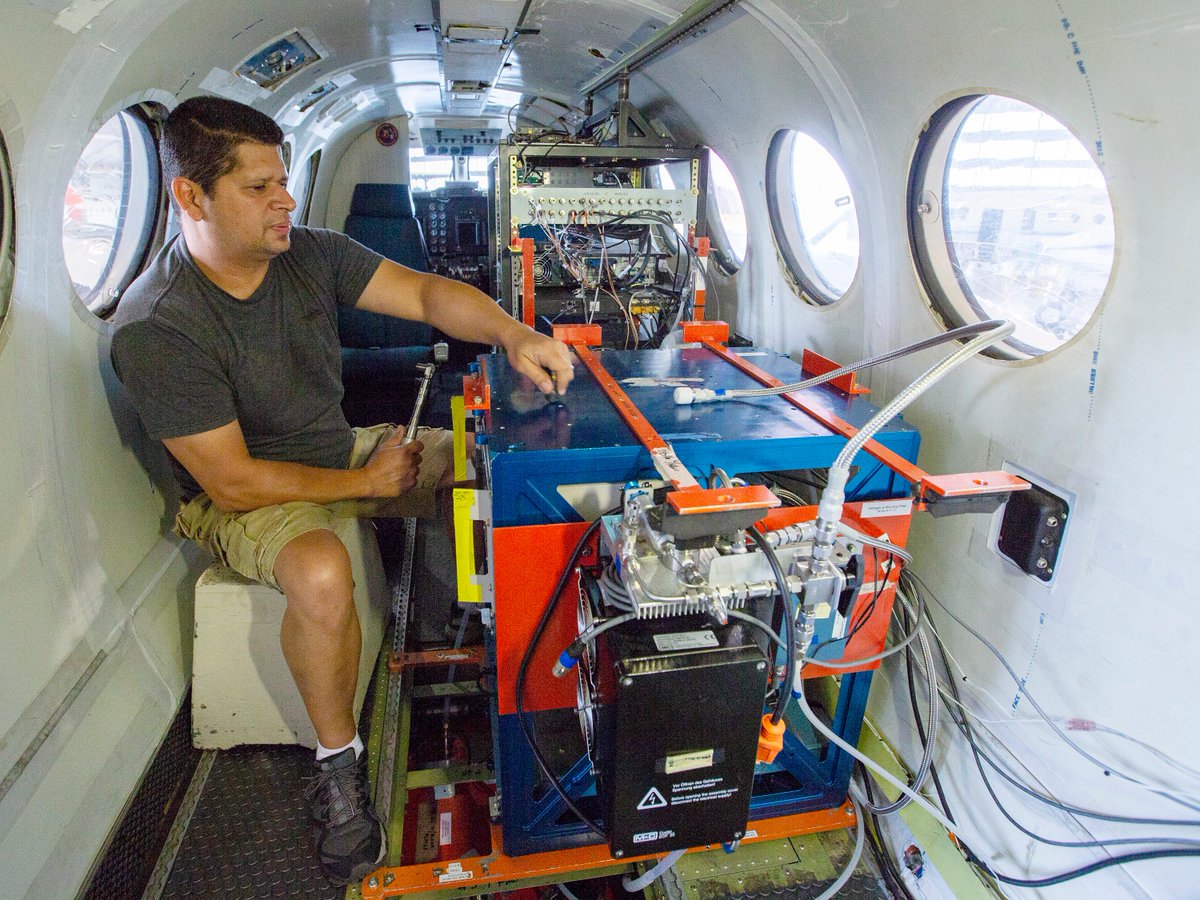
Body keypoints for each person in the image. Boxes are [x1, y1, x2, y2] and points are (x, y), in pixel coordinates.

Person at [109, 95, 574, 885]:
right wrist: (361, 482)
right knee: (323, 571)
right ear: (191, 197)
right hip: (246, 496)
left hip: (339, 449)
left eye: (285, 180)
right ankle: (338, 768)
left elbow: (427, 294)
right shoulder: (160, 326)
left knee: (495, 460)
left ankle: (526, 661)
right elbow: (231, 478)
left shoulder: (310, 254)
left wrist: (513, 333)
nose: (285, 200)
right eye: (258, 188)